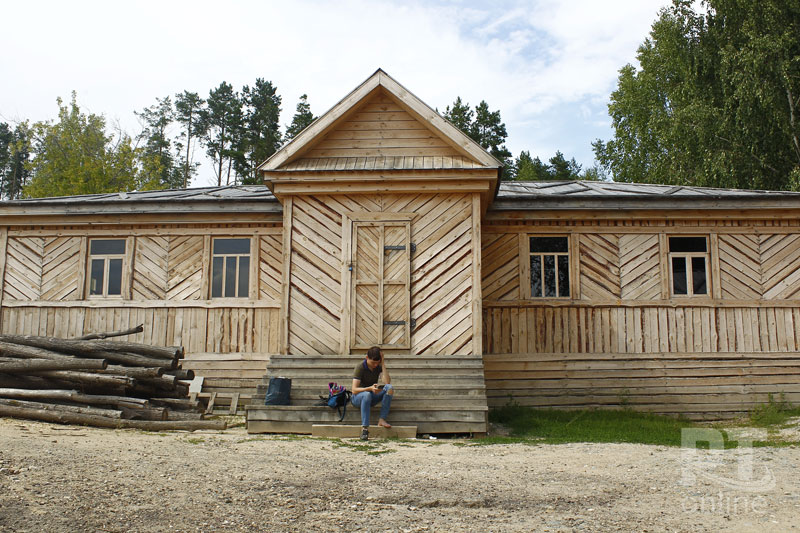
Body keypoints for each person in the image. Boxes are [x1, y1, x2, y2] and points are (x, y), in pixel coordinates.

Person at [351, 346, 394, 440]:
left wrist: (382, 363)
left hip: (371, 395)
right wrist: (369, 388)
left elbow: (387, 382)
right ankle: (365, 428)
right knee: (366, 395)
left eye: (377, 363)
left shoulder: (378, 366)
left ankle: (382, 419)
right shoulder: (360, 367)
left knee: (389, 388)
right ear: (367, 358)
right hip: (358, 397)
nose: (375, 365)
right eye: (373, 362)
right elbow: (354, 390)